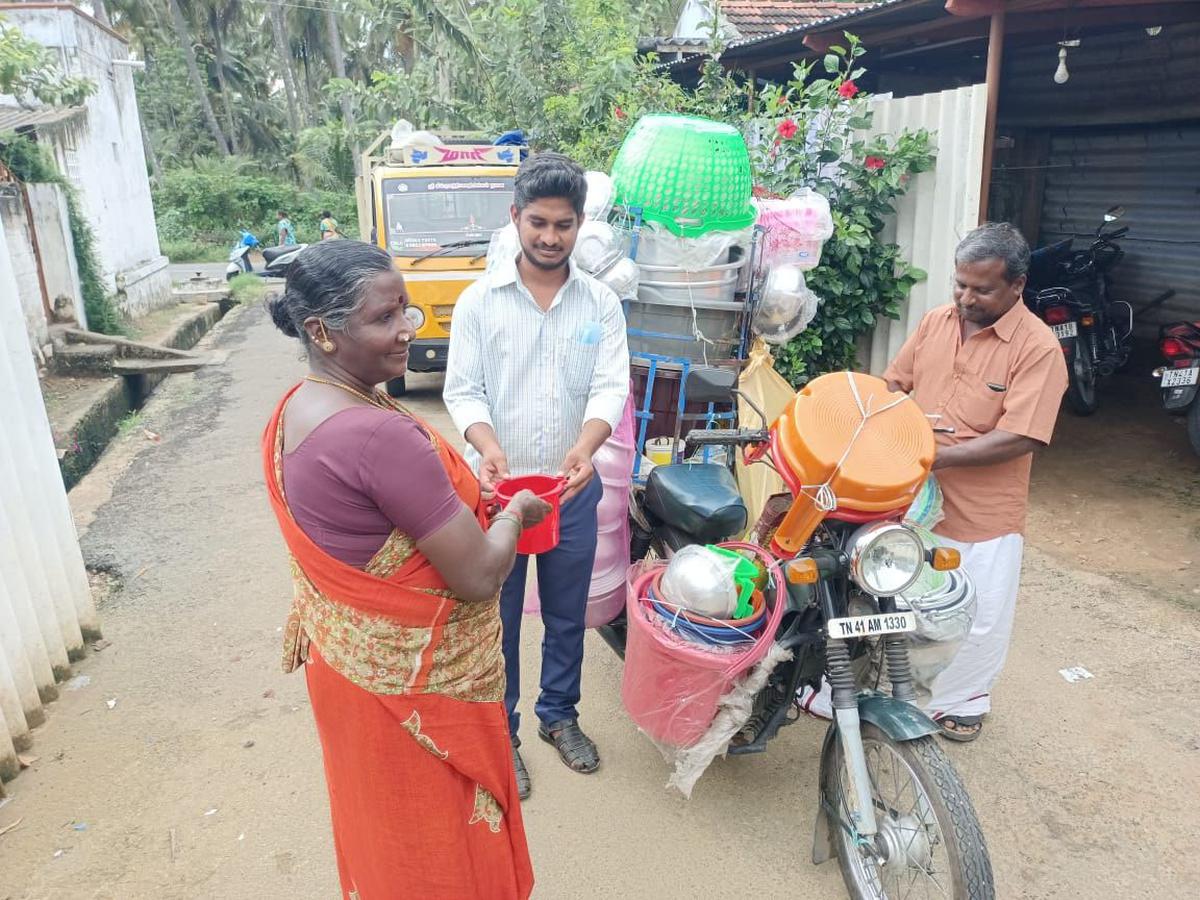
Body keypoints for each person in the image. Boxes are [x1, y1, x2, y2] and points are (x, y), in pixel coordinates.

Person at [263, 239, 547, 899]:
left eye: (408, 311)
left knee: (381, 836)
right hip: (415, 699)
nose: (408, 331)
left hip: (348, 677)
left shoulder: (297, 409)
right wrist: (514, 515)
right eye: (385, 318)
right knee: (439, 850)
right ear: (320, 332)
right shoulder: (377, 433)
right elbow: (477, 577)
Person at [444, 152, 630, 799]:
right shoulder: (478, 303)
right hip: (496, 494)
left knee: (565, 611)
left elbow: (611, 386)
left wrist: (586, 447)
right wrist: (487, 445)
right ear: (516, 218)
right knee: (497, 619)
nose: (551, 237)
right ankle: (504, 732)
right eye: (539, 223)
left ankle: (560, 716)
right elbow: (463, 391)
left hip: (571, 491)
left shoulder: (600, 303)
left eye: (564, 224)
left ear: (580, 225)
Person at [884, 222, 1068, 742]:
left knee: (977, 610)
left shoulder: (1038, 348)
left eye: (981, 289)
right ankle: (892, 689)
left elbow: (1021, 436)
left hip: (984, 503)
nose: (966, 298)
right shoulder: (937, 322)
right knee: (899, 592)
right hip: (912, 493)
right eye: (959, 284)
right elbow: (894, 385)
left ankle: (964, 701)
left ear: (1017, 285)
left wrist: (933, 456)